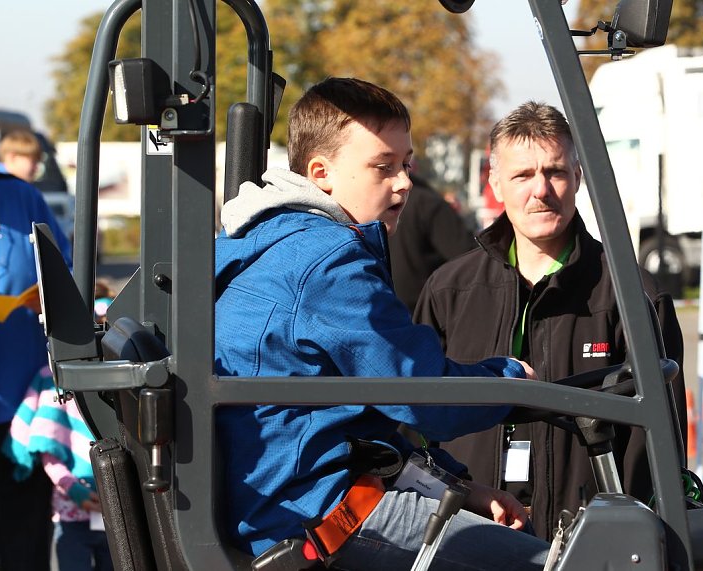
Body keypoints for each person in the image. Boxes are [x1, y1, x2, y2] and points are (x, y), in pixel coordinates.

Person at [214, 77, 552, 569]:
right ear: (320, 172)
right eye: (383, 167)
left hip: (307, 500)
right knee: (547, 562)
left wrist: (460, 487)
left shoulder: (272, 242)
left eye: (406, 164)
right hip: (318, 517)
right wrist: (513, 381)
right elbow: (425, 395)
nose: (404, 182)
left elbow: (367, 424)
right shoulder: (327, 261)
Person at [414, 101, 688, 542]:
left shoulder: (631, 295)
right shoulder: (449, 291)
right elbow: (415, 423)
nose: (540, 189)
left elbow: (656, 451)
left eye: (555, 172)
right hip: (465, 540)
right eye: (523, 175)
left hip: (587, 546)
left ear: (578, 178)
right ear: (496, 183)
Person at [0, 105, 72, 570]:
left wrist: (50, 293)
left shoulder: (22, 198)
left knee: (25, 537)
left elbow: (62, 269)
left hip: (21, 395)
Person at [2, 366, 114, 571]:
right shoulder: (56, 376)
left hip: (114, 509)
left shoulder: (116, 370)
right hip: (72, 512)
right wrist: (73, 489)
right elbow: (49, 451)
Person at [388, 173, 477, 313]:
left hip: (408, 314)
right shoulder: (425, 201)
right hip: (418, 314)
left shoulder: (424, 203)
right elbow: (472, 260)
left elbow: (469, 259)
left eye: (406, 164)